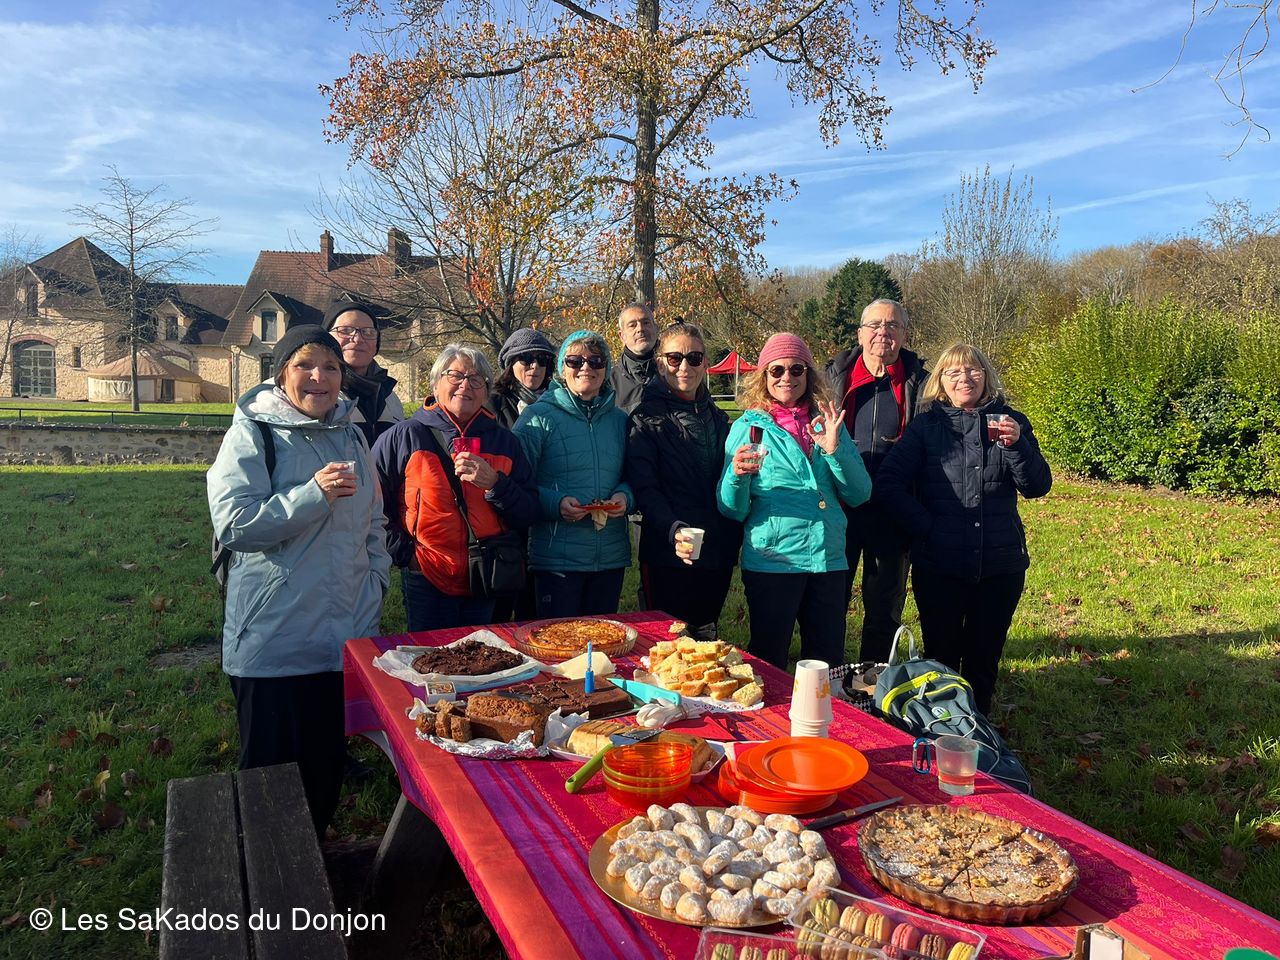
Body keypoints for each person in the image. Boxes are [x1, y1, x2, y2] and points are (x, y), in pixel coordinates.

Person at [207, 324, 390, 837]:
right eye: (305, 365)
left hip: (342, 636)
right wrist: (313, 495)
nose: (319, 377)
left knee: (324, 768)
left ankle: (315, 860)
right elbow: (235, 525)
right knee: (270, 778)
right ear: (281, 373)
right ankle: (268, 871)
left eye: (330, 367)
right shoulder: (254, 433)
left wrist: (375, 581)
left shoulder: (352, 434)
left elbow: (375, 520)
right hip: (274, 639)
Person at [874, 343, 1052, 715]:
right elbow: (889, 485)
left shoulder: (1008, 422)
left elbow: (1037, 486)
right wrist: (928, 528)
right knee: (942, 658)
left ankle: (978, 731)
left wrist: (1017, 445)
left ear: (986, 376)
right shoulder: (927, 428)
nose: (964, 378)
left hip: (1000, 564)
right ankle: (945, 726)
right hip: (940, 564)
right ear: (941, 381)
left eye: (973, 370)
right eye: (953, 372)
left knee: (984, 659)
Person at [717, 333, 872, 671]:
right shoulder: (748, 428)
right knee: (769, 661)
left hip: (828, 559)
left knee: (826, 665)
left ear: (808, 374)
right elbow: (732, 509)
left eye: (796, 369)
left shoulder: (828, 422)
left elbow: (860, 493)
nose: (786, 377)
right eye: (777, 370)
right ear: (763, 376)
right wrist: (736, 475)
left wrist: (835, 451)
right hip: (774, 561)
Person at [373, 344, 539, 632]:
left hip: (486, 576)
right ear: (435, 385)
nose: (465, 385)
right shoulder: (405, 436)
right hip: (427, 574)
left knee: (482, 655)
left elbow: (529, 512)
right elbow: (371, 506)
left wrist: (495, 484)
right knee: (430, 656)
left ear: (486, 393)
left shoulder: (505, 442)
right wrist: (407, 556)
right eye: (455, 376)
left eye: (476, 380)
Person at [824, 298, 929, 663]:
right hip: (839, 506)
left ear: (904, 335)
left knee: (884, 605)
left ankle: (873, 680)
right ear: (860, 334)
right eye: (875, 325)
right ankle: (829, 678)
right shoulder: (833, 377)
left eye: (892, 325)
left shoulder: (921, 383)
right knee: (830, 600)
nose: (883, 332)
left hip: (892, 510)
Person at [627, 321, 742, 638]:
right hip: (667, 549)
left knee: (706, 642)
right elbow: (645, 488)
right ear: (660, 363)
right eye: (675, 358)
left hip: (716, 548)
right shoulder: (645, 418)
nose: (684, 367)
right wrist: (672, 528)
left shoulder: (719, 418)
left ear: (705, 363)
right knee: (667, 642)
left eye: (694, 358)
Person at [514, 330, 633, 617]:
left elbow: (635, 475)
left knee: (604, 640)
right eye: (575, 361)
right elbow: (515, 483)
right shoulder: (537, 417)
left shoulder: (620, 421)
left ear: (606, 368)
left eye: (596, 361)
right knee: (559, 642)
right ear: (561, 368)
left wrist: (626, 497)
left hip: (610, 557)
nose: (586, 368)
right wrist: (554, 503)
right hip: (556, 558)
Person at [322, 299, 404, 446]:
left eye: (368, 332)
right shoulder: (318, 394)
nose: (358, 339)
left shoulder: (390, 398)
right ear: (326, 337)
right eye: (345, 330)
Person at [489, 327, 557, 429]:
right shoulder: (493, 403)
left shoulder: (560, 401)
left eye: (542, 359)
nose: (535, 366)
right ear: (511, 364)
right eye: (527, 358)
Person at [609, 302, 659, 414]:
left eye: (646, 323)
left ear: (656, 329)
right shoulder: (609, 384)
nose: (640, 329)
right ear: (622, 336)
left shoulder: (676, 371)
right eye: (632, 325)